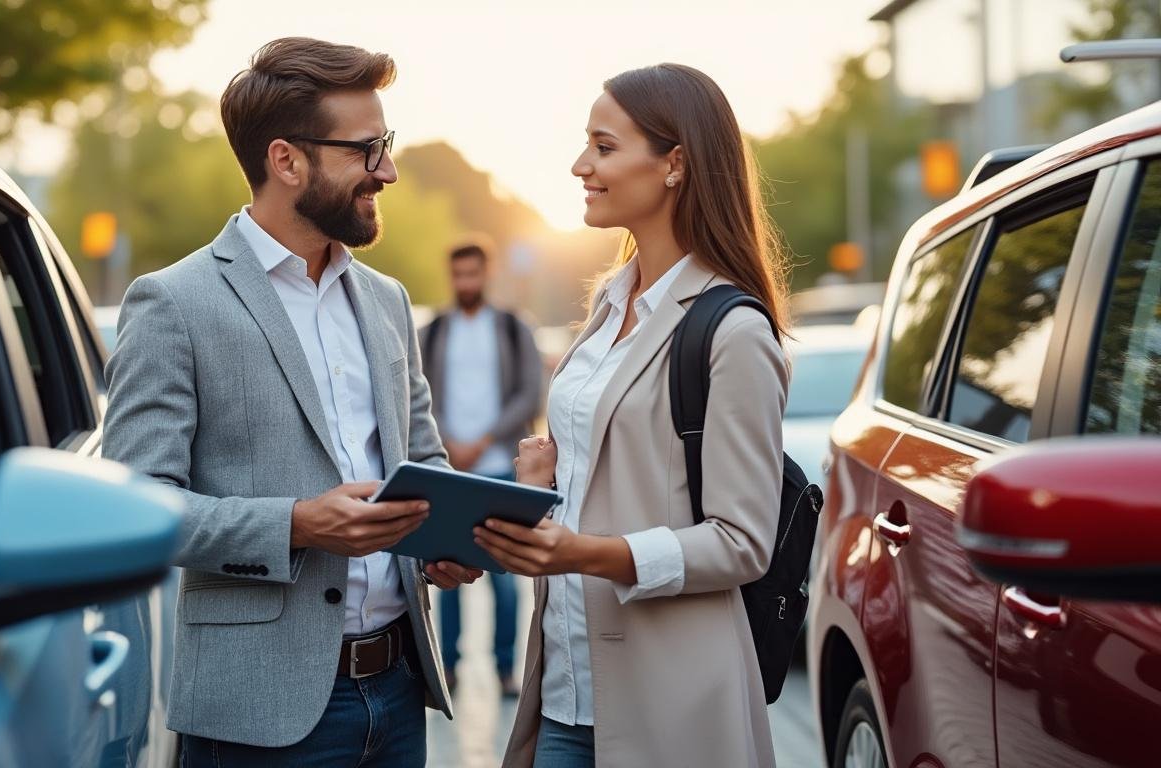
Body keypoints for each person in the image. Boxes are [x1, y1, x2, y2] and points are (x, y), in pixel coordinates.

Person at [102, 37, 481, 767]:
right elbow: (136, 508)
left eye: (387, 145)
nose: (389, 171)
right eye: (367, 150)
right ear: (286, 160)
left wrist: (451, 540)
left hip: (400, 697)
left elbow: (422, 460)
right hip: (258, 716)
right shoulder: (173, 303)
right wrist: (298, 526)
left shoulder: (387, 301)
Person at [475, 63, 791, 768]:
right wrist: (538, 486)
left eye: (604, 146)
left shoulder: (734, 331)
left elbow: (742, 542)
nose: (580, 164)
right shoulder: (609, 305)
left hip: (671, 708)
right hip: (565, 688)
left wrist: (589, 554)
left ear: (674, 163)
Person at [418, 238, 543, 696]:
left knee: (504, 580)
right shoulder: (432, 331)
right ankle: (446, 667)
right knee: (445, 572)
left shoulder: (513, 328)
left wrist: (486, 439)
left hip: (501, 467)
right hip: (449, 468)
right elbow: (420, 392)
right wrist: (449, 440)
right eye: (459, 275)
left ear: (486, 274)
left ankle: (505, 669)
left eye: (473, 274)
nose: (466, 282)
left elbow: (530, 392)